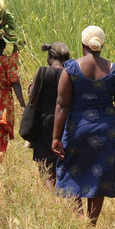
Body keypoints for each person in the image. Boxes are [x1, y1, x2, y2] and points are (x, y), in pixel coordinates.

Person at [52, 25, 115, 226]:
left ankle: (78, 217)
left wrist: (56, 137)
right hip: (106, 132)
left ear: (83, 44)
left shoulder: (71, 69)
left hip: (76, 130)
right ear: (102, 45)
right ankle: (91, 224)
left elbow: (62, 105)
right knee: (98, 177)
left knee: (74, 172)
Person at [27, 42, 70, 186]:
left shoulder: (42, 72)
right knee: (62, 164)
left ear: (50, 56)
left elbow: (33, 99)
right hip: (66, 123)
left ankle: (49, 198)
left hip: (44, 123)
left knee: (45, 168)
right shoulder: (71, 73)